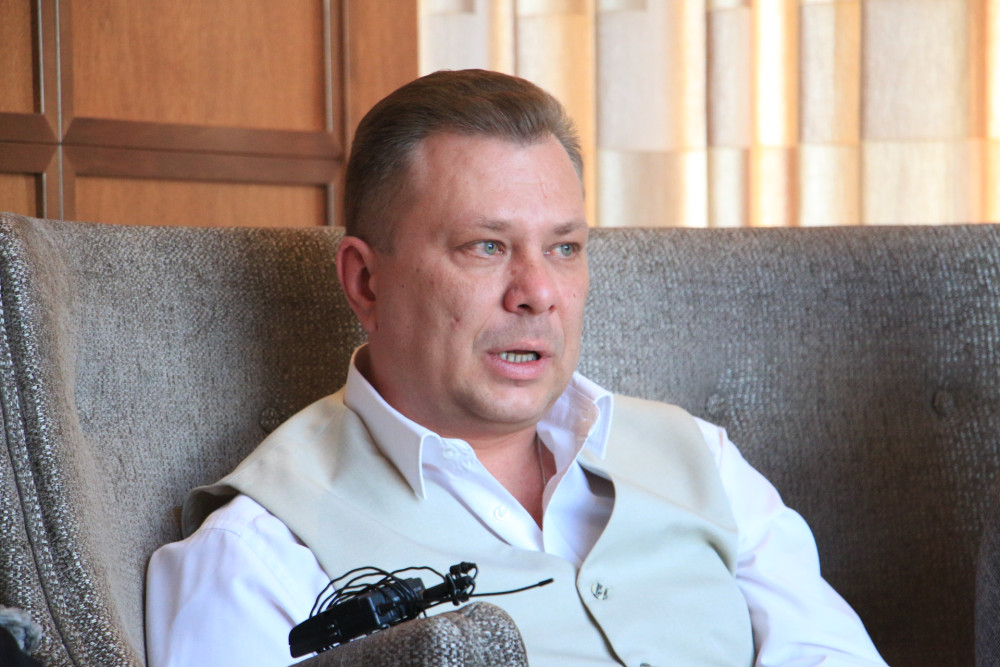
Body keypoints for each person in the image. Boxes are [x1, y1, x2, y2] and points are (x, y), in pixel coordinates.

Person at [145, 69, 887, 666]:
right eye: (486, 247)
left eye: (564, 248)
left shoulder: (704, 461)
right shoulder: (259, 553)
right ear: (366, 282)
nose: (537, 292)